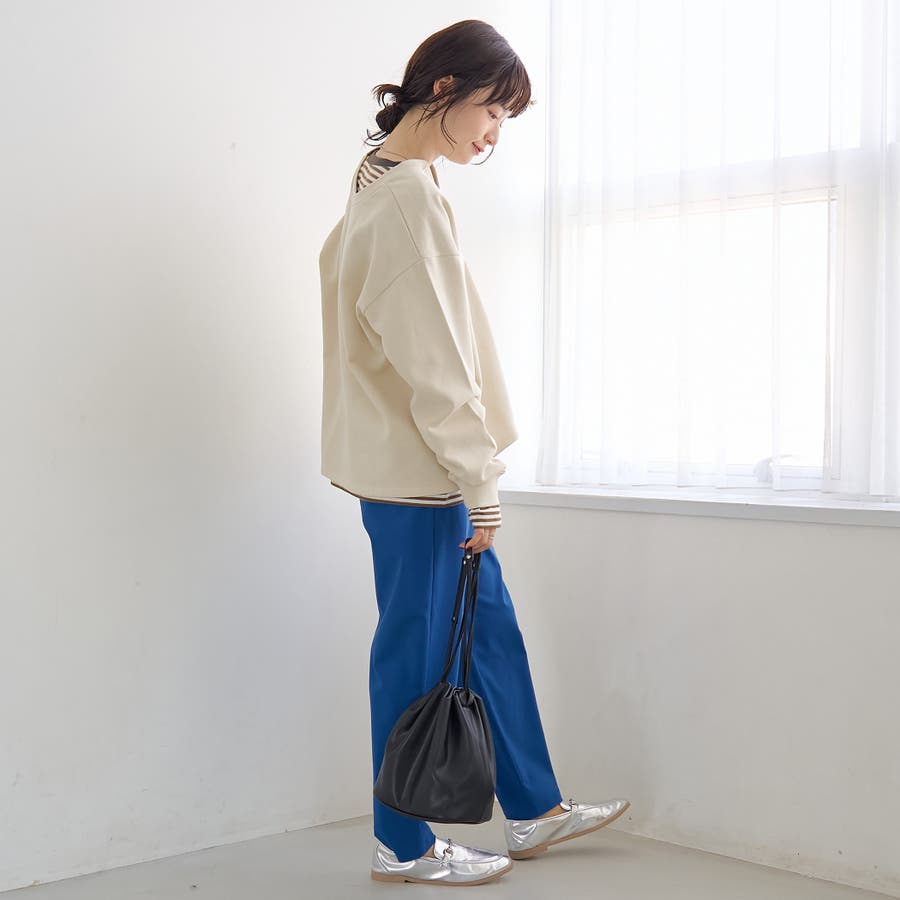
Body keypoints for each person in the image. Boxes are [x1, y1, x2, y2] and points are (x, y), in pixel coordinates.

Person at [318, 19, 630, 888]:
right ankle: (402, 844)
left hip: (421, 468)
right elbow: (435, 360)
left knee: (490, 632)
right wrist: (479, 481)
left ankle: (533, 808)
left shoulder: (383, 181)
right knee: (417, 655)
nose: (494, 134)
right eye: (493, 111)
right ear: (446, 89)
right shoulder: (402, 200)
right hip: (421, 475)